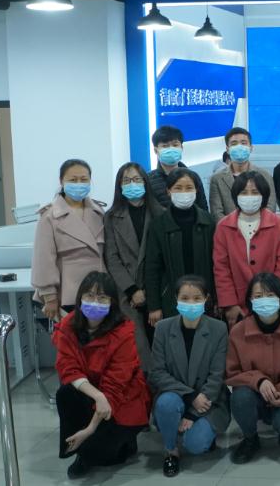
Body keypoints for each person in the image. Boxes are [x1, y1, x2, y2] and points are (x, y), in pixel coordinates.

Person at [53, 271, 150, 479]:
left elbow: (115, 385)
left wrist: (90, 429)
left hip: (122, 399)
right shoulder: (68, 325)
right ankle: (81, 454)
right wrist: (97, 396)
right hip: (92, 393)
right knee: (65, 393)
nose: (94, 303)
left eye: (102, 298)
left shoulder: (123, 331)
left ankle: (123, 441)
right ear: (79, 298)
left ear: (112, 303)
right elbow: (68, 368)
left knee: (109, 457)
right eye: (89, 296)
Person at [149, 275, 229, 477]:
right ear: (176, 299)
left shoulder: (218, 328)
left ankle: (200, 431)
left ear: (206, 299)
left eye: (197, 298)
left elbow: (216, 376)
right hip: (176, 395)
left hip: (208, 400)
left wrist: (193, 413)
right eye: (184, 298)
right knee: (166, 403)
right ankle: (171, 450)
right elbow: (157, 373)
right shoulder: (163, 328)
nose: (191, 303)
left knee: (196, 444)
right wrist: (191, 395)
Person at [225, 273, 280, 464]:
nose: (264, 300)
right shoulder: (238, 331)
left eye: (270, 295)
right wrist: (258, 381)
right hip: (254, 394)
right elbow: (231, 373)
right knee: (240, 397)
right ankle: (250, 439)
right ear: (250, 300)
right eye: (258, 296)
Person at [103, 161, 163, 366]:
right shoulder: (111, 217)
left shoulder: (161, 213)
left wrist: (148, 290)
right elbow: (112, 258)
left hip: (157, 290)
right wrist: (133, 290)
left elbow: (162, 259)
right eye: (126, 180)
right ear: (119, 186)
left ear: (145, 182)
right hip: (127, 293)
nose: (132, 184)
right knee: (137, 349)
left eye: (137, 179)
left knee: (161, 345)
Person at [213, 171, 280, 324]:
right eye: (244, 192)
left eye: (255, 192)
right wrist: (230, 304)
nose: (249, 196)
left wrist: (274, 297)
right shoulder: (223, 226)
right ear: (236, 195)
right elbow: (221, 268)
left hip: (272, 302)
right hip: (237, 305)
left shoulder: (278, 223)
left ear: (264, 195)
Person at [33, 159, 107, 321]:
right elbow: (44, 260)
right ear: (61, 181)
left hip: (100, 291)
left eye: (84, 179)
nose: (79, 184)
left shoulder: (98, 211)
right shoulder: (50, 216)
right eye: (73, 180)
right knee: (73, 335)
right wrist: (49, 296)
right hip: (69, 293)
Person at [144, 168, 217, 325]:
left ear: (196, 190)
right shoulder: (158, 225)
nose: (184, 192)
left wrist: (217, 299)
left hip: (205, 298)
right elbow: (152, 268)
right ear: (168, 191)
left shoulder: (208, 222)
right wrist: (154, 306)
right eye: (178, 188)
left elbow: (217, 265)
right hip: (170, 299)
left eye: (189, 188)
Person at [209, 127, 277, 222]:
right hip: (228, 229)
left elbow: (270, 206)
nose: (239, 146)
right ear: (227, 149)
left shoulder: (265, 175)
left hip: (260, 228)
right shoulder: (217, 178)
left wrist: (256, 227)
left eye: (243, 143)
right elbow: (216, 212)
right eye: (234, 143)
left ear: (251, 148)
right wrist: (230, 228)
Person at [147, 125, 208, 210]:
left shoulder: (193, 177)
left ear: (181, 148)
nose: (171, 149)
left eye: (175, 145)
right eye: (165, 146)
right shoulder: (148, 180)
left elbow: (203, 208)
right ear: (155, 150)